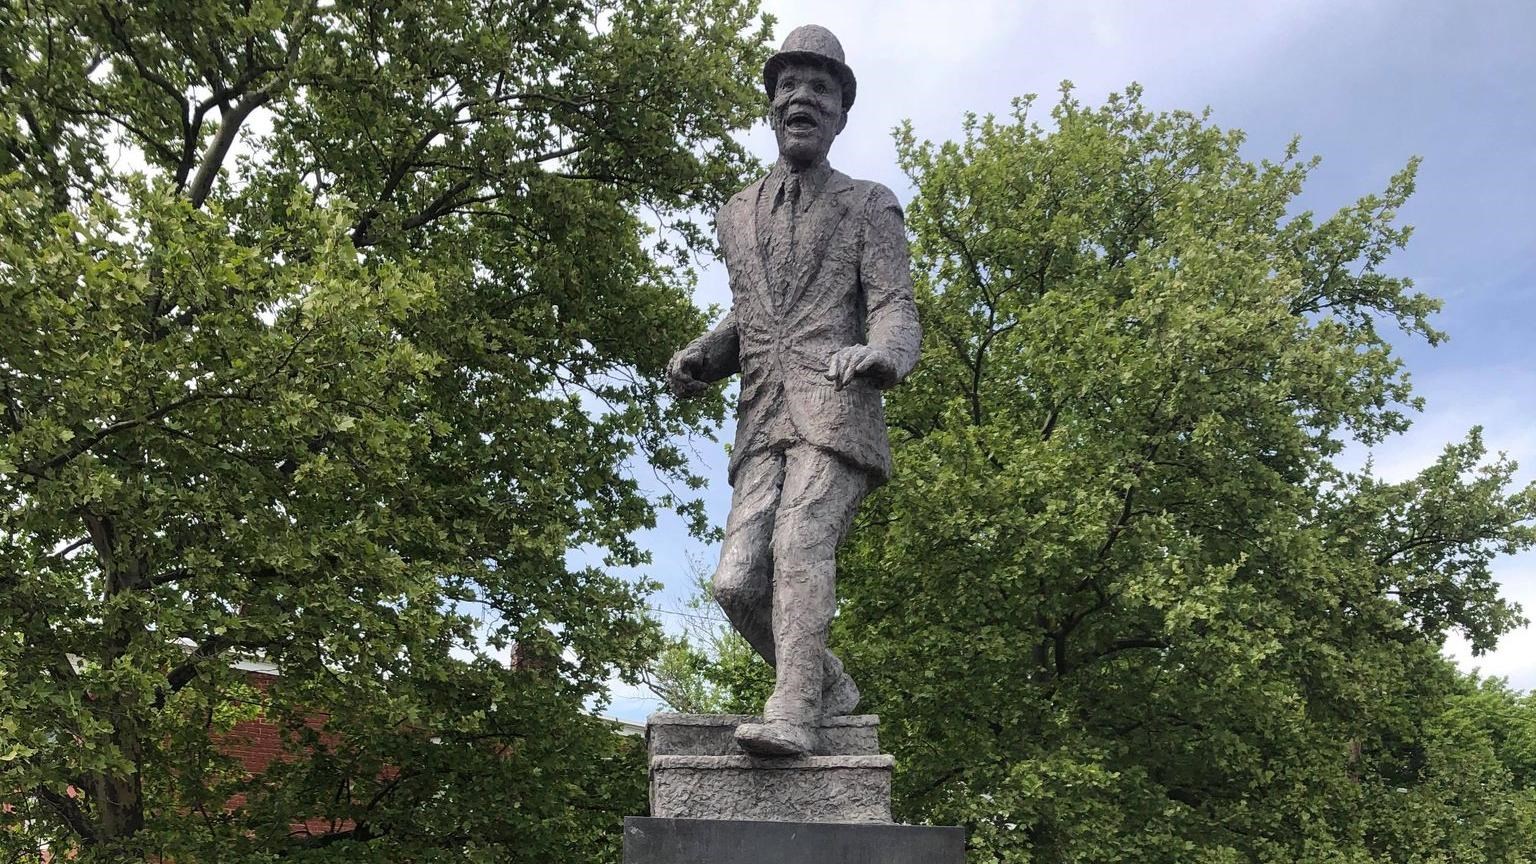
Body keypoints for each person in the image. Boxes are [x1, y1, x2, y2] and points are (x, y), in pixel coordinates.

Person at [667, 24, 922, 757]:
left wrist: (884, 356)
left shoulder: (870, 205)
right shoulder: (736, 212)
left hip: (837, 405)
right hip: (762, 415)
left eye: (821, 89)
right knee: (737, 583)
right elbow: (751, 312)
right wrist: (703, 355)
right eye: (790, 86)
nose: (802, 99)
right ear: (772, 106)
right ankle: (826, 685)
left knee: (799, 543)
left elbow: (895, 305)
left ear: (842, 112)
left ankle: (793, 715)